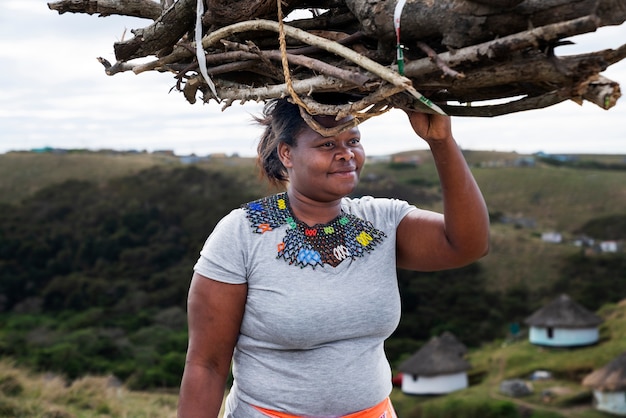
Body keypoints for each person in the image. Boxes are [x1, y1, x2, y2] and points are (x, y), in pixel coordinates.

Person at [177, 97, 490, 418]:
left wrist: (441, 142)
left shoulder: (381, 221)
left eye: (353, 140)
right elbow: (207, 365)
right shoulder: (242, 232)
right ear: (287, 154)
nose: (346, 153)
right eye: (327, 144)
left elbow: (467, 244)